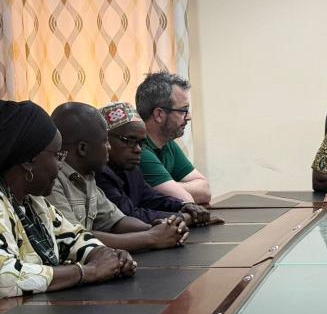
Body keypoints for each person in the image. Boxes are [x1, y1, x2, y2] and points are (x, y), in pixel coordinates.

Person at [0, 99, 135, 297]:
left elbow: (74, 237)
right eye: (57, 156)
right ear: (28, 161)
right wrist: (88, 272)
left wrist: (106, 255)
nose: (61, 165)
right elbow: (5, 277)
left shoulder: (34, 202)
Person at [48, 102, 188, 252]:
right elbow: (74, 238)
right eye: (105, 142)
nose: (109, 147)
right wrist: (152, 237)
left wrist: (157, 228)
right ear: (83, 148)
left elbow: (116, 221)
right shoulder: (52, 181)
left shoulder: (87, 176)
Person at [95, 102, 223, 227]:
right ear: (105, 139)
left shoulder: (130, 168)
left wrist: (183, 206)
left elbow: (151, 198)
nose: (138, 149)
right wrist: (185, 218)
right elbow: (127, 216)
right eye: (129, 140)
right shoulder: (98, 173)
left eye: (141, 143)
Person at [135, 72, 211, 204]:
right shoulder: (138, 149)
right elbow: (184, 199)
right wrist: (173, 189)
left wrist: (171, 186)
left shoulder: (167, 143)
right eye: (183, 110)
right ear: (159, 114)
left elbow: (205, 190)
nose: (189, 117)